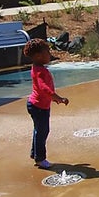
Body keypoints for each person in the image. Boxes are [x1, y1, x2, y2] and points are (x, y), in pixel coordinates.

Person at [24, 38, 69, 169]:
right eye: (47, 51)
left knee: (39, 130)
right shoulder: (39, 72)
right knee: (42, 131)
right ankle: (40, 159)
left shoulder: (39, 68)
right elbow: (44, 89)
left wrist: (53, 99)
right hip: (38, 107)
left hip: (39, 105)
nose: (49, 54)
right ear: (38, 56)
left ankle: (35, 154)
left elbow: (43, 91)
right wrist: (58, 98)